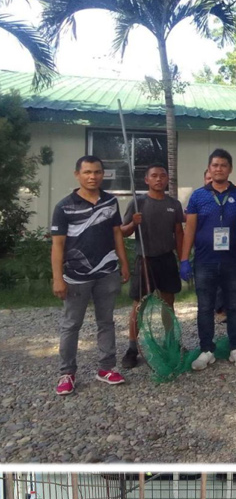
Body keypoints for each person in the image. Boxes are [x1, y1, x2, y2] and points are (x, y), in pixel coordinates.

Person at [50, 155, 131, 394]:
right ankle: (67, 373)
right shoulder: (64, 206)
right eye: (87, 172)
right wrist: (57, 278)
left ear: (102, 174)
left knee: (106, 321)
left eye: (97, 172)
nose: (92, 176)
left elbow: (117, 234)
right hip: (76, 275)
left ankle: (106, 368)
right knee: (71, 324)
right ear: (77, 174)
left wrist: (124, 264)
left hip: (107, 272)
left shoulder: (110, 202)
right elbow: (57, 245)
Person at [183, 149, 236, 370]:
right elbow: (189, 229)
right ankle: (206, 350)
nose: (218, 169)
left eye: (223, 165)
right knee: (204, 307)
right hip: (205, 261)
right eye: (214, 165)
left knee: (234, 306)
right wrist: (184, 259)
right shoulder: (198, 196)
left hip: (233, 260)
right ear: (209, 169)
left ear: (230, 169)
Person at [119, 164, 185, 370]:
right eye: (154, 176)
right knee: (139, 306)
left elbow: (179, 233)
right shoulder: (137, 203)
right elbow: (122, 231)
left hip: (166, 259)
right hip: (145, 260)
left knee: (168, 303)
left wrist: (183, 259)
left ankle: (171, 342)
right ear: (146, 180)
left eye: (162, 176)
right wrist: (133, 224)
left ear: (167, 180)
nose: (159, 179)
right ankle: (132, 348)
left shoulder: (174, 204)